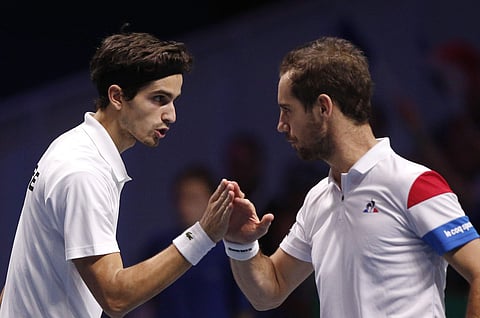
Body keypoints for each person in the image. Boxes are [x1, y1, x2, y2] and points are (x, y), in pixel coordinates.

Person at [222, 37, 480, 317]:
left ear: (323, 107)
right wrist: (241, 243)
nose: (281, 125)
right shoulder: (316, 200)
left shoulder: (413, 183)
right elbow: (270, 291)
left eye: (287, 110)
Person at [0, 31, 238, 318]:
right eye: (159, 99)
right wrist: (203, 235)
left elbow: (23, 274)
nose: (171, 115)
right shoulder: (83, 171)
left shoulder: (71, 147)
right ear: (117, 96)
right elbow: (115, 298)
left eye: (174, 100)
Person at [129, 164, 254, 318]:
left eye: (193, 198)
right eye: (180, 197)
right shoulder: (159, 245)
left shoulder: (229, 250)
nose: (184, 206)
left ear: (212, 200)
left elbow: (243, 309)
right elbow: (140, 304)